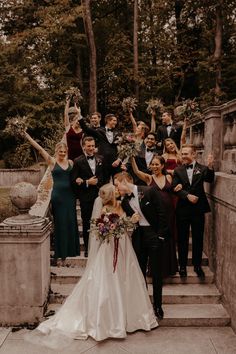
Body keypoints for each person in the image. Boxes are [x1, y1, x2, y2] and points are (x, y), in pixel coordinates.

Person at [25, 183, 157, 348]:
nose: (118, 190)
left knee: (127, 279)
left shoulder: (123, 204)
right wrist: (128, 222)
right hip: (109, 250)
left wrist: (131, 222)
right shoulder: (105, 210)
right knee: (109, 280)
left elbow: (126, 227)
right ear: (110, 194)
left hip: (125, 248)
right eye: (115, 190)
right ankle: (108, 321)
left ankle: (130, 318)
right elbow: (106, 231)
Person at [114, 172, 170, 320]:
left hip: (154, 234)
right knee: (139, 272)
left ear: (125, 181)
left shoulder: (149, 191)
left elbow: (163, 213)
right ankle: (144, 304)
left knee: (156, 273)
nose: (116, 188)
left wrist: (160, 236)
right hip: (138, 237)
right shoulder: (125, 201)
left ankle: (158, 305)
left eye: (117, 184)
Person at [24, 132, 80, 265]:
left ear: (66, 151)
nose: (62, 153)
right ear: (56, 151)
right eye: (60, 151)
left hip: (70, 196)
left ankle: (72, 250)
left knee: (71, 221)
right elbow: (39, 148)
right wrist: (27, 137)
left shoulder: (71, 162)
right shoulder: (52, 161)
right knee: (60, 223)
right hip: (58, 197)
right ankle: (60, 253)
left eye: (64, 151)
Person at [130, 155, 179, 277]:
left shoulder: (168, 177)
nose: (155, 166)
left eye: (157, 164)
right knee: (157, 237)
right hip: (155, 213)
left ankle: (169, 268)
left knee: (168, 236)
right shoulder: (148, 178)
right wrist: (131, 157)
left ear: (162, 166)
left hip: (169, 212)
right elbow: (136, 171)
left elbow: (174, 189)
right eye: (153, 164)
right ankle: (155, 269)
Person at [172, 144, 215, 278]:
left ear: (194, 154)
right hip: (182, 210)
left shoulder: (202, 169)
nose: (183, 156)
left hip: (198, 210)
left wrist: (210, 166)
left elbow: (210, 179)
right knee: (182, 239)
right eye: (182, 154)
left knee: (198, 238)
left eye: (186, 154)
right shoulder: (178, 170)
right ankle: (183, 266)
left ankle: (197, 266)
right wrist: (186, 196)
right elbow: (174, 187)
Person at [71, 136, 105, 257]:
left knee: (101, 222)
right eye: (89, 146)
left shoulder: (100, 159)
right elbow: (73, 181)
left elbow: (103, 177)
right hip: (86, 198)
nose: (91, 148)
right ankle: (87, 248)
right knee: (87, 223)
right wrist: (86, 182)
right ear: (84, 146)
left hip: (100, 197)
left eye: (92, 146)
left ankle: (101, 246)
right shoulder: (77, 161)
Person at [78, 113, 122, 182]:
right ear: (108, 121)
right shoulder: (100, 131)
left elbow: (123, 148)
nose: (115, 122)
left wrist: (119, 160)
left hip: (115, 163)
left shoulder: (118, 133)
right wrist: (79, 115)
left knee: (118, 182)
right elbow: (86, 129)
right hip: (103, 162)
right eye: (114, 120)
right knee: (103, 183)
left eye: (116, 121)